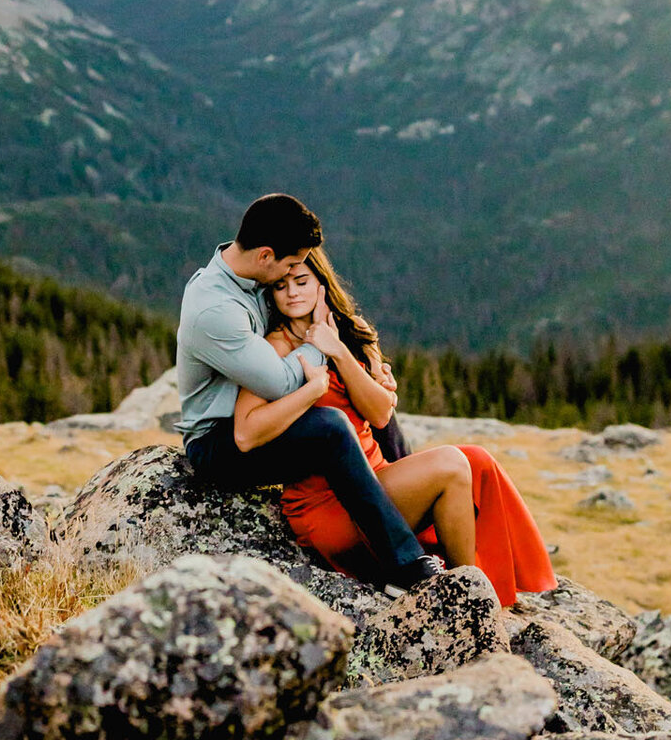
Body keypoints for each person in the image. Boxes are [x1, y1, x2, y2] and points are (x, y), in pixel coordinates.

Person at [233, 247, 557, 605]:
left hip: (374, 480)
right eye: (280, 286)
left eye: (301, 281)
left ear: (321, 285)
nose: (292, 292)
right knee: (450, 466)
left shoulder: (351, 333)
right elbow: (247, 428)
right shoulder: (273, 348)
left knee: (478, 460)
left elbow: (380, 414)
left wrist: (337, 350)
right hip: (327, 504)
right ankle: (464, 598)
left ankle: (488, 580)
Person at [178, 193, 439, 590]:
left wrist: (370, 377)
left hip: (262, 417)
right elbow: (282, 381)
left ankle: (410, 520)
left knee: (374, 411)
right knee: (330, 427)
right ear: (266, 256)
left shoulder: (251, 277)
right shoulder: (215, 309)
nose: (293, 275)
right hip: (220, 444)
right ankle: (402, 568)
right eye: (289, 264)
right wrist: (321, 339)